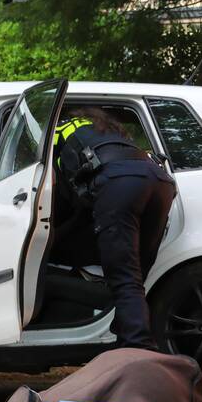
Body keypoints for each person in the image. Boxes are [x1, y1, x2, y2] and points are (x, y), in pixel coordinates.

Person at [52, 108, 176, 350]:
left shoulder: (56, 132)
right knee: (137, 272)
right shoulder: (108, 131)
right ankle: (125, 333)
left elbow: (52, 186)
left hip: (119, 181)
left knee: (124, 275)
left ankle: (136, 348)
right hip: (159, 179)